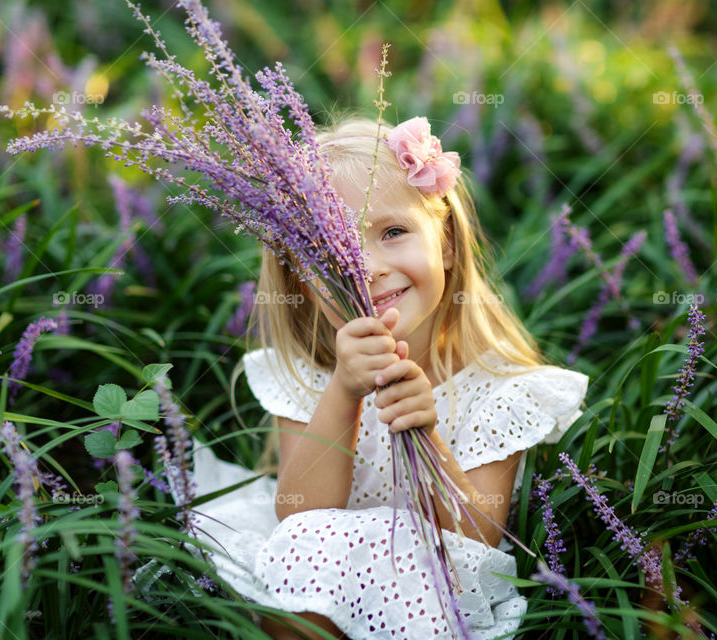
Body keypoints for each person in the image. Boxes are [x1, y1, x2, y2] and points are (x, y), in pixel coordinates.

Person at [190, 115, 589, 640]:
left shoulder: (500, 394)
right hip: (315, 577)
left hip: (434, 596)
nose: (366, 267)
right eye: (331, 253)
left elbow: (476, 540)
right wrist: (344, 392)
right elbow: (299, 519)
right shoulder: (310, 383)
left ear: (445, 242)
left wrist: (426, 431)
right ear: (301, 281)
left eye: (393, 233)